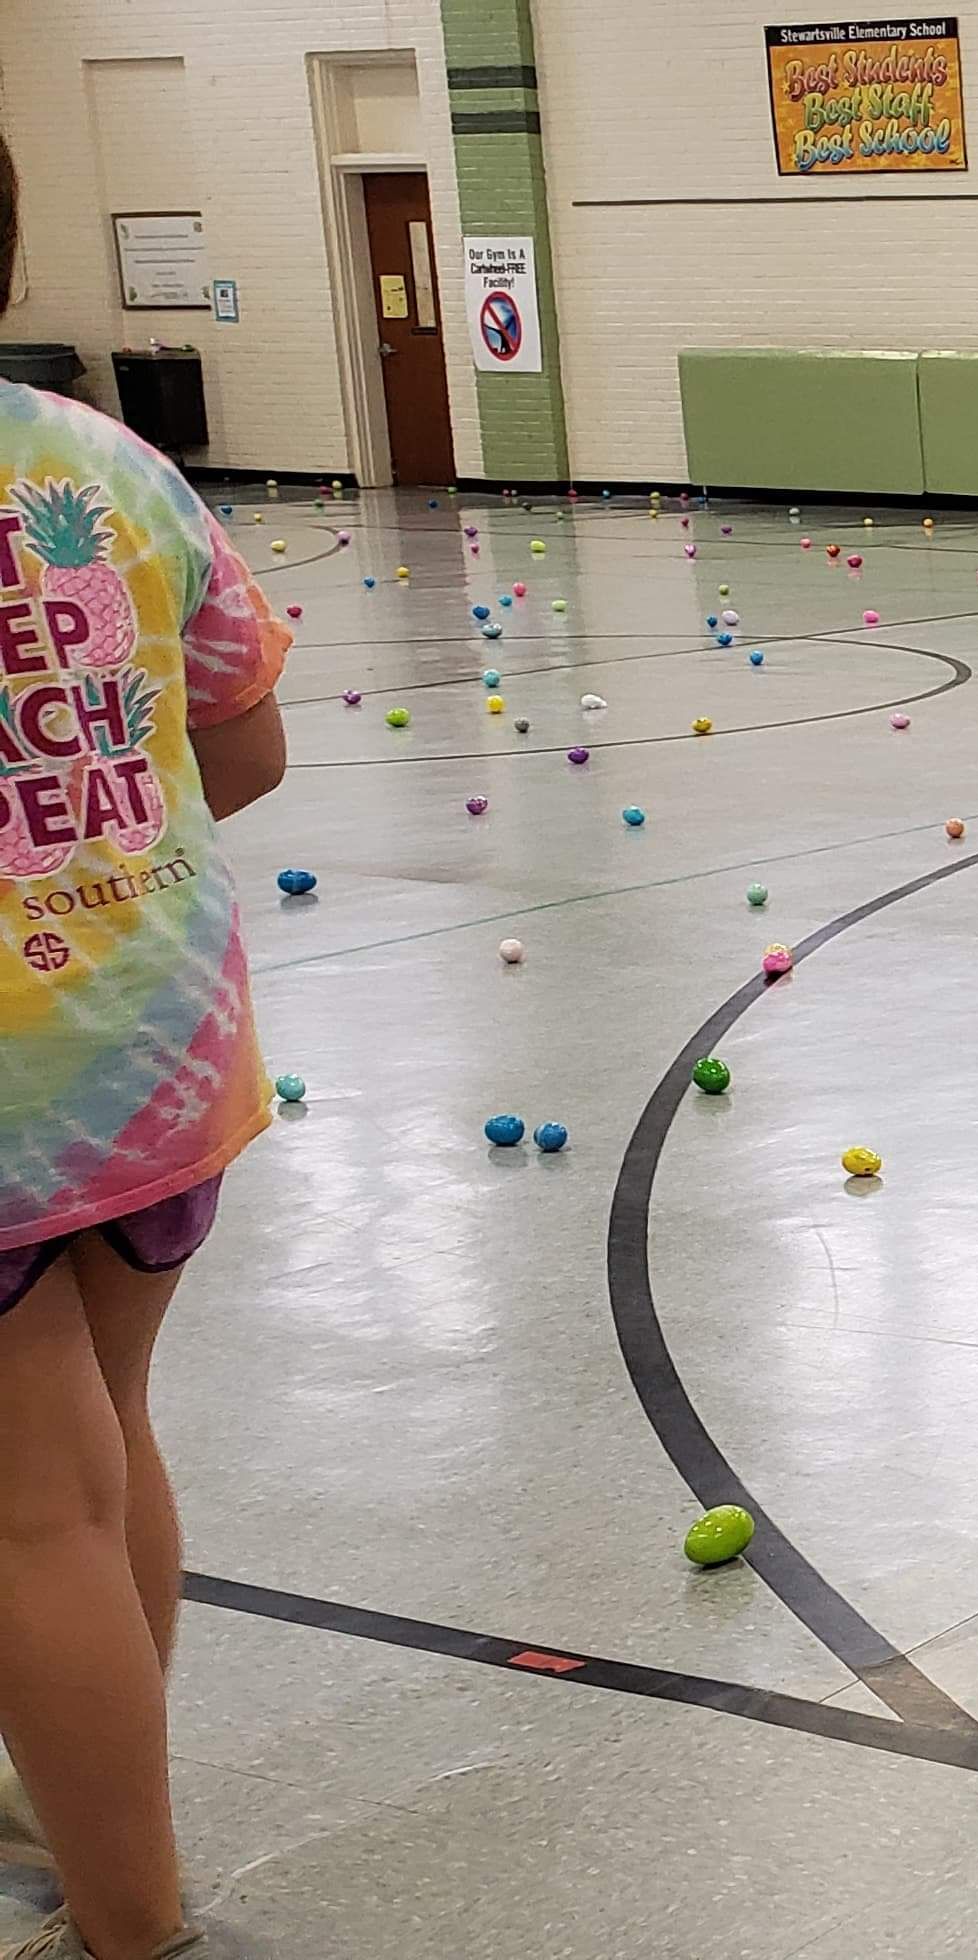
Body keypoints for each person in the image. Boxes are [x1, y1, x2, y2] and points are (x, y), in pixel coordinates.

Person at [0, 126, 293, 1960]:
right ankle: (94, 1782)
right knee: (101, 1442)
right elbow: (243, 747)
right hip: (156, 1047)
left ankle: (127, 1920)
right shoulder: (106, 466)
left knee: (29, 1520)